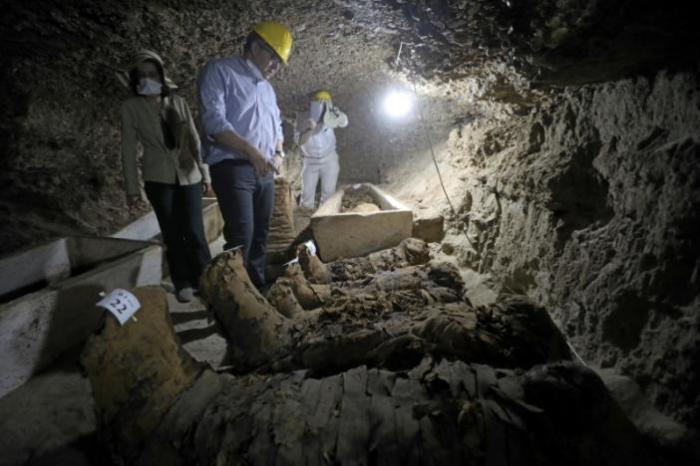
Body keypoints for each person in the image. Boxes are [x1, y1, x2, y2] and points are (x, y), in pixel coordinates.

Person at [197, 21, 293, 293]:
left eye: (279, 61)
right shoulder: (220, 71)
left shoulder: (267, 89)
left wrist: (278, 152)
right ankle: (235, 296)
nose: (275, 65)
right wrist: (251, 151)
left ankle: (257, 288)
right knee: (242, 236)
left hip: (263, 170)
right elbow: (214, 124)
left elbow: (277, 128)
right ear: (253, 46)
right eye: (272, 56)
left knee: (261, 234)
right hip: (233, 166)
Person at [120, 49, 212, 303]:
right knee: (172, 232)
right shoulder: (131, 108)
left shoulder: (178, 102)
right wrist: (132, 189)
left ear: (161, 75)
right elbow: (128, 148)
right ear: (135, 80)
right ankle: (182, 280)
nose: (147, 78)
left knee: (195, 230)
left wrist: (205, 173)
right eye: (142, 75)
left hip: (188, 174)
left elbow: (193, 138)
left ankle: (207, 278)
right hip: (158, 178)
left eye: (152, 73)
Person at [294, 90, 348, 210]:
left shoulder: (331, 114)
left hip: (329, 159)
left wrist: (338, 115)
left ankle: (325, 222)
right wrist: (309, 129)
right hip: (310, 161)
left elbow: (344, 122)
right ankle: (305, 222)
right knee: (306, 195)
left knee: (328, 194)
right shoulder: (303, 118)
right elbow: (299, 141)